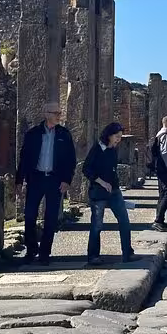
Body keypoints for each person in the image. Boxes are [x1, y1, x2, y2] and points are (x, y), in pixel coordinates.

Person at [15, 102, 76, 266]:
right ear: (46, 113)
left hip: (55, 180)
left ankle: (45, 253)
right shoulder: (33, 134)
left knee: (51, 218)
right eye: (55, 112)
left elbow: (71, 160)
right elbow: (24, 158)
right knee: (29, 216)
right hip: (36, 178)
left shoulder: (64, 134)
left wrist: (66, 180)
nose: (59, 115)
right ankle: (31, 249)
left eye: (59, 112)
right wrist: (19, 181)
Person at [83, 122, 134, 265]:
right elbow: (86, 169)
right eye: (117, 137)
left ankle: (127, 253)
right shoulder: (97, 149)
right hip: (98, 192)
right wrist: (101, 182)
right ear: (109, 135)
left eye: (120, 137)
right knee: (97, 225)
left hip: (114, 191)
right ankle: (93, 256)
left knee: (124, 221)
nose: (119, 139)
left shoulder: (113, 149)